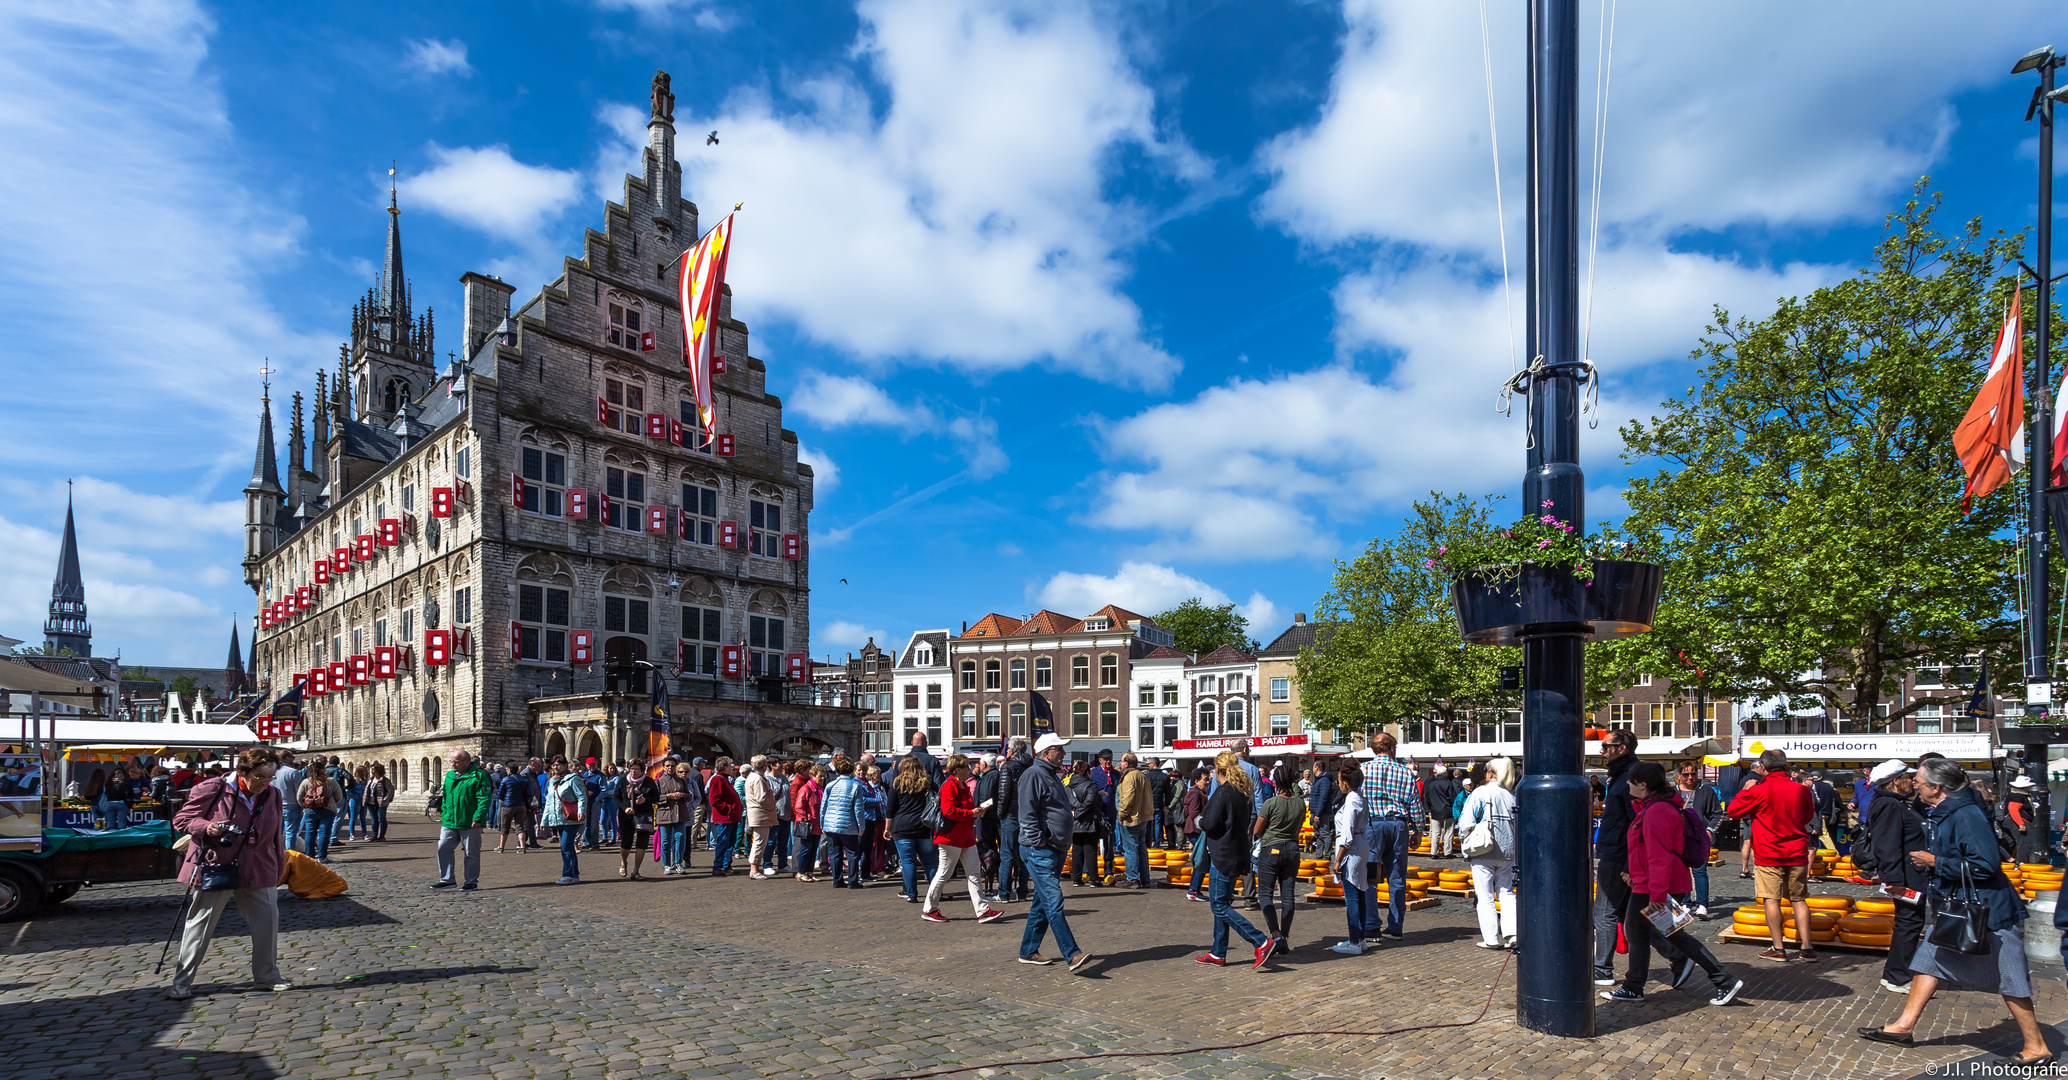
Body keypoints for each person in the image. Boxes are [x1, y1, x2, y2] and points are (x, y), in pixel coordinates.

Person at [1860, 759, 2051, 1069]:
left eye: (1920, 780)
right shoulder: (1945, 812)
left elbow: (1986, 865)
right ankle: (1903, 1026)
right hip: (1956, 907)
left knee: (2011, 978)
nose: (1916, 784)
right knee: (1927, 962)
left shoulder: (1966, 816)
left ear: (1937, 787)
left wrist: (1935, 862)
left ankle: (2036, 1046)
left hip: (1988, 912)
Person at [1602, 761, 1745, 1006]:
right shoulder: (1656, 807)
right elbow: (1647, 851)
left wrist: (1656, 892)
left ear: (1643, 785)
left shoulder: (1656, 811)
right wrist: (1633, 873)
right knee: (1674, 936)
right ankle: (1723, 979)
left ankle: (1634, 987)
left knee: (1638, 935)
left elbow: (1659, 855)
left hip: (1653, 888)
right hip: (1655, 884)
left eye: (1631, 781)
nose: (1627, 784)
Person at [167, 746, 289, 1000]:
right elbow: (182, 820)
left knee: (267, 923)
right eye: (259, 777)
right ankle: (182, 982)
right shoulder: (213, 788)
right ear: (243, 771)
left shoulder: (272, 794)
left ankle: (267, 977)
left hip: (259, 866)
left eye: (269, 778)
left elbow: (277, 834)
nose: (264, 783)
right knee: (200, 925)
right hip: (217, 865)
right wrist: (207, 827)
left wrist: (279, 865)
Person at [1593, 730, 1688, 983]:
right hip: (1624, 855)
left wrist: (1628, 864)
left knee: (1604, 912)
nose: (1601, 750)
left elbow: (1634, 823)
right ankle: (1678, 953)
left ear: (1622, 748)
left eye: (1605, 746)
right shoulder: (1622, 775)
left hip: (1619, 855)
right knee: (1635, 916)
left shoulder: (1630, 778)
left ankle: (1602, 969)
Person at [1728, 748, 1817, 962]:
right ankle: (1807, 947)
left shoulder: (1759, 790)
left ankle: (1779, 948)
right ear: (1786, 766)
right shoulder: (1801, 790)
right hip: (1796, 852)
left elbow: (1733, 811)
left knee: (1771, 899)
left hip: (1769, 853)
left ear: (1764, 767)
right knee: (1799, 899)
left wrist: (1746, 790)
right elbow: (1807, 816)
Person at [1017, 733, 1093, 972]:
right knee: (1053, 900)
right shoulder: (1033, 775)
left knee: (1042, 902)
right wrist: (1039, 841)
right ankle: (1072, 954)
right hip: (1041, 849)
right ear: (1046, 753)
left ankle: (1028, 951)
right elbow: (1027, 814)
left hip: (1054, 848)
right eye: (1058, 749)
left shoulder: (1052, 776)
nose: (1063, 752)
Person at [1197, 750, 1270, 969]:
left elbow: (1209, 823)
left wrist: (1199, 820)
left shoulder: (1223, 792)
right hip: (1238, 851)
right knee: (1223, 901)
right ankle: (1219, 952)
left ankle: (1260, 940)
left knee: (1219, 905)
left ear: (1217, 770)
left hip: (1223, 854)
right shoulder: (1242, 792)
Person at [1865, 759, 1929, 994]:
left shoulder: (1896, 803)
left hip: (1909, 874)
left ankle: (1897, 973)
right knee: (1909, 922)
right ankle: (1897, 976)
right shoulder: (1889, 805)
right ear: (1895, 781)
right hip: (1905, 876)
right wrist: (1893, 880)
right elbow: (1887, 844)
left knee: (1910, 922)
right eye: (1908, 777)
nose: (1912, 781)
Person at [1359, 732, 1427, 940]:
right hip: (1398, 825)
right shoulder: (1406, 772)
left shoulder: (1364, 770)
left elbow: (1357, 801)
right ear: (1391, 748)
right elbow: (1415, 803)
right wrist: (1418, 829)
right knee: (1397, 877)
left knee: (1370, 876)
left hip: (1373, 826)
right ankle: (1395, 926)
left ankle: (1371, 925)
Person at [922, 754, 1004, 923]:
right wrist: (971, 813)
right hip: (951, 837)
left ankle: (982, 911)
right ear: (958, 770)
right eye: (967, 766)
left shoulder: (961, 786)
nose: (970, 769)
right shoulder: (949, 786)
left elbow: (961, 810)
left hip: (965, 837)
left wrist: (976, 812)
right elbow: (948, 811)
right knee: (944, 873)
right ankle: (929, 909)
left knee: (973, 872)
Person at [1457, 757, 1518, 949]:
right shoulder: (1512, 795)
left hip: (1484, 850)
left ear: (1490, 773)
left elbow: (1466, 821)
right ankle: (1512, 933)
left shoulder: (1480, 792)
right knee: (1507, 892)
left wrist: (1465, 841)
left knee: (1485, 896)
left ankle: (1491, 938)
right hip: (1508, 851)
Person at [1252, 762, 1306, 958]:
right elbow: (1299, 826)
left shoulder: (1271, 803)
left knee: (1265, 894)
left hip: (1271, 848)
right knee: (1288, 895)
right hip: (1292, 848)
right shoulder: (1300, 803)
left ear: (1276, 782)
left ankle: (1275, 935)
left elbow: (1257, 831)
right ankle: (1285, 935)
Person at [432, 751, 493, 890]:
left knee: (471, 853)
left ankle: (471, 881)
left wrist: (478, 817)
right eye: (452, 761)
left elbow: (484, 798)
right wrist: (445, 812)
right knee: (443, 847)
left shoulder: (479, 776)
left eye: (456, 762)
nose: (453, 764)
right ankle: (447, 879)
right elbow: (446, 796)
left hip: (469, 822)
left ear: (466, 761)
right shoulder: (449, 776)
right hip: (450, 821)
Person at [886, 756, 937, 901]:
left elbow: (890, 809)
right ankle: (935, 893)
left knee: (908, 863)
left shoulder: (897, 784)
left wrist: (887, 828)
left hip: (902, 827)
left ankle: (911, 894)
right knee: (930, 862)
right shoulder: (927, 783)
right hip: (924, 826)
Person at [1676, 763, 1723, 918]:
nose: (1690, 778)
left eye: (1693, 774)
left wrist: (1709, 830)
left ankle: (1702, 904)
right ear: (1680, 775)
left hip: (1699, 837)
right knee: (1681, 871)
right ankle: (1686, 903)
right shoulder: (1673, 793)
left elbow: (1717, 813)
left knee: (1700, 871)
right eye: (1686, 774)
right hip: (1678, 837)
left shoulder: (1706, 791)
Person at [821, 756, 870, 888]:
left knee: (835, 853)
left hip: (831, 824)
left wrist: (822, 823)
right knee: (852, 853)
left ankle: (837, 880)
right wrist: (861, 826)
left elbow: (823, 806)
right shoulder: (855, 786)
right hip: (848, 824)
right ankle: (853, 880)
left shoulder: (830, 785)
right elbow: (858, 809)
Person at [995, 735, 1033, 902]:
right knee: (1024, 854)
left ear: (1011, 750)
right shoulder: (1031, 766)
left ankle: (1004, 893)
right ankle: (1023, 891)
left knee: (1007, 855)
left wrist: (1000, 814)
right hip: (1027, 815)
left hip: (1010, 815)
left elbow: (1004, 794)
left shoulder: (1008, 767)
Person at [540, 755, 587, 885]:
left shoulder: (572, 778)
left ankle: (568, 874)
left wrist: (581, 811)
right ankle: (575, 874)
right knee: (567, 846)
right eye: (554, 765)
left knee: (565, 846)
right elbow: (549, 802)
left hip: (571, 818)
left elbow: (581, 796)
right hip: (558, 818)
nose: (556, 767)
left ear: (565, 765)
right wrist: (544, 821)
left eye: (559, 765)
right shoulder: (550, 781)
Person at [1115, 753, 1154, 889]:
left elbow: (1128, 798)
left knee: (1130, 849)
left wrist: (1122, 814)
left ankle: (1132, 879)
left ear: (1126, 763)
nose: (1120, 763)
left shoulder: (1129, 777)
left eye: (1121, 761)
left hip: (1132, 818)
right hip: (1143, 816)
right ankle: (1145, 878)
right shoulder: (1143, 775)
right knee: (1141, 848)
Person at [295, 758, 344, 862]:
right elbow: (339, 796)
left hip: (310, 810)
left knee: (310, 833)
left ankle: (310, 856)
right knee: (324, 833)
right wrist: (331, 803)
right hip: (327, 810)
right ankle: (322, 856)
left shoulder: (306, 782)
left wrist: (305, 806)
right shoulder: (330, 781)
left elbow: (299, 797)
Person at [704, 757, 744, 877]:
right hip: (724, 817)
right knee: (723, 842)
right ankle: (717, 866)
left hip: (731, 817)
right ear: (724, 766)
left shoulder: (726, 779)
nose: (732, 766)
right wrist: (728, 808)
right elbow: (714, 799)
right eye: (730, 764)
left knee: (730, 842)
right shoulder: (717, 779)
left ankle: (727, 865)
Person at [1065, 758, 1103, 886]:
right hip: (1088, 821)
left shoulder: (1068, 786)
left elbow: (1066, 802)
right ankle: (1094, 879)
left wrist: (1074, 812)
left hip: (1074, 821)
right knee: (1090, 850)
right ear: (1087, 772)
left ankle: (1076, 878)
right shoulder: (1091, 785)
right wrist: (1080, 812)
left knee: (1077, 850)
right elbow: (1089, 802)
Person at [619, 764, 660, 880]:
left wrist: (645, 800)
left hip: (644, 815)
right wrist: (624, 808)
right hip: (626, 815)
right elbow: (616, 797)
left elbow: (656, 797)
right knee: (626, 843)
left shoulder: (649, 782)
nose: (633, 771)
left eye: (636, 769)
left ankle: (636, 871)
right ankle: (623, 862)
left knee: (642, 843)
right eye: (631, 769)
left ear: (642, 770)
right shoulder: (623, 781)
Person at [741, 756, 779, 879]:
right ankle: (754, 870)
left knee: (759, 841)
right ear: (764, 766)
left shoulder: (754, 777)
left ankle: (755, 868)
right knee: (759, 842)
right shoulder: (757, 778)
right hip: (760, 814)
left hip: (759, 813)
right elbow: (761, 798)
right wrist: (772, 806)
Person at [655, 760, 695, 874]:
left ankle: (678, 862)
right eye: (667, 766)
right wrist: (668, 797)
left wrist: (682, 795)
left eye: (672, 766)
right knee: (666, 841)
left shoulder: (681, 781)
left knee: (680, 837)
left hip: (680, 814)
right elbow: (655, 799)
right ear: (663, 767)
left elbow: (689, 796)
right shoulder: (658, 782)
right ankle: (666, 864)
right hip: (665, 814)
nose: (670, 768)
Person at [1181, 767, 1211, 901]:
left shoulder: (1199, 793)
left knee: (1202, 858)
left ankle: (1194, 889)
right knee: (1201, 858)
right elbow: (1194, 814)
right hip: (1195, 830)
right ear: (1196, 781)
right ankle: (1193, 890)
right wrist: (1204, 824)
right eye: (1205, 780)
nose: (1208, 782)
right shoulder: (1195, 794)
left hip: (1195, 830)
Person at [792, 762, 825, 883]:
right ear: (813, 776)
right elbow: (799, 807)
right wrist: (808, 818)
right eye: (819, 776)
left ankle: (809, 872)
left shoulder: (820, 789)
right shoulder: (806, 788)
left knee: (813, 849)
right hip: (808, 824)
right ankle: (801, 872)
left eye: (823, 776)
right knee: (806, 849)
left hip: (817, 823)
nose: (822, 778)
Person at [1423, 765, 1459, 859]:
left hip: (1435, 811)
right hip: (1447, 810)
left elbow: (1427, 797)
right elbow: (1452, 797)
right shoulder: (1448, 783)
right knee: (1448, 832)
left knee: (1435, 833)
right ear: (1445, 773)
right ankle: (1448, 852)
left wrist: (1429, 808)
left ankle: (1434, 852)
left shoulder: (1431, 784)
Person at [1307, 762, 1339, 858]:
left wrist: (1318, 814)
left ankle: (1327, 855)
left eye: (1313, 767)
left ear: (1316, 768)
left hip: (1322, 812)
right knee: (1318, 834)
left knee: (1325, 833)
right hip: (1316, 811)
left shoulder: (1324, 780)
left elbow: (1323, 798)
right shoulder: (1318, 780)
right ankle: (1319, 855)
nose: (1312, 769)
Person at [365, 763, 394, 842]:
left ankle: (382, 836)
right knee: (374, 820)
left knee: (382, 819)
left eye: (373, 769)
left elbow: (390, 790)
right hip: (371, 803)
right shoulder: (371, 779)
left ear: (378, 770)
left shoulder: (384, 780)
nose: (371, 771)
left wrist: (385, 799)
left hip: (380, 803)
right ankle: (374, 836)